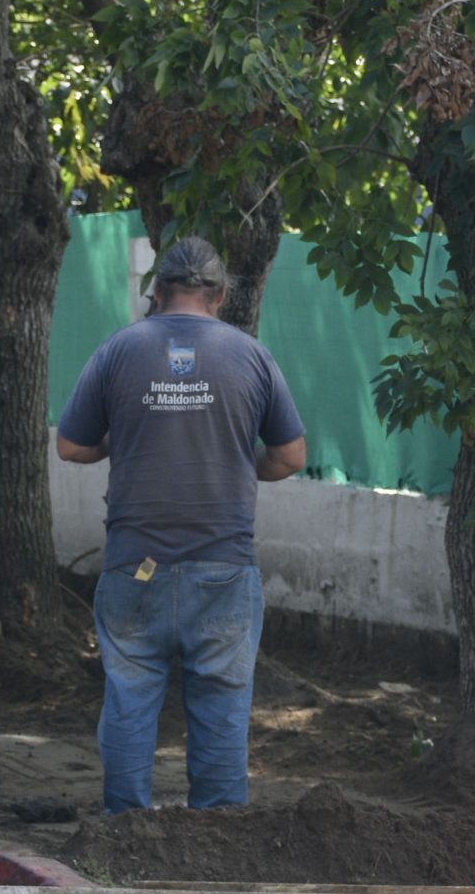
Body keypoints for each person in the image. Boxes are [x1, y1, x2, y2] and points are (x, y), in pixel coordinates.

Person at [56, 237, 307, 813]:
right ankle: (215, 848)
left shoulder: (119, 349)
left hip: (134, 568)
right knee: (222, 708)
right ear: (219, 296)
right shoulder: (251, 355)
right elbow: (290, 457)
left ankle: (121, 838)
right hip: (223, 567)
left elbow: (72, 445)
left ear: (158, 290)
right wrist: (241, 461)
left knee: (129, 699)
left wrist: (126, 439)